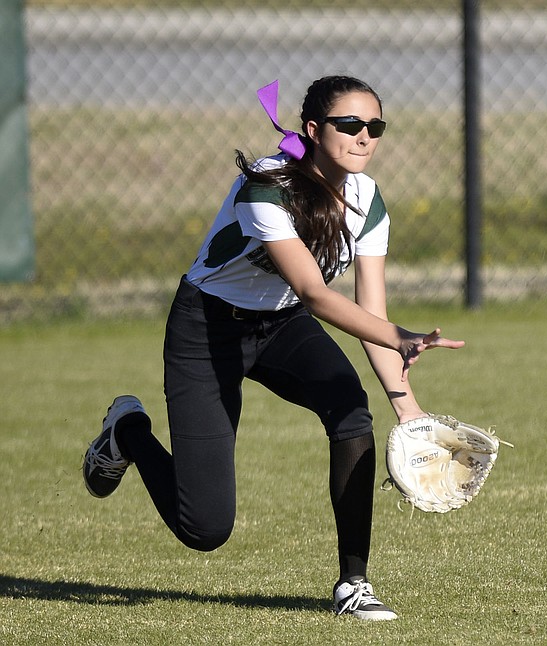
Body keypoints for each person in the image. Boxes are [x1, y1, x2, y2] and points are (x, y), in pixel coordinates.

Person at [82, 75, 465, 621]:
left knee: (352, 412)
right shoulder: (268, 184)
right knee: (204, 528)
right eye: (349, 124)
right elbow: (315, 293)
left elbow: (369, 315)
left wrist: (407, 407)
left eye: (374, 127)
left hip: (280, 325)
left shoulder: (367, 198)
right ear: (313, 129)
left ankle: (353, 583)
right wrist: (400, 336)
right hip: (207, 329)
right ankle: (128, 432)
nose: (363, 137)